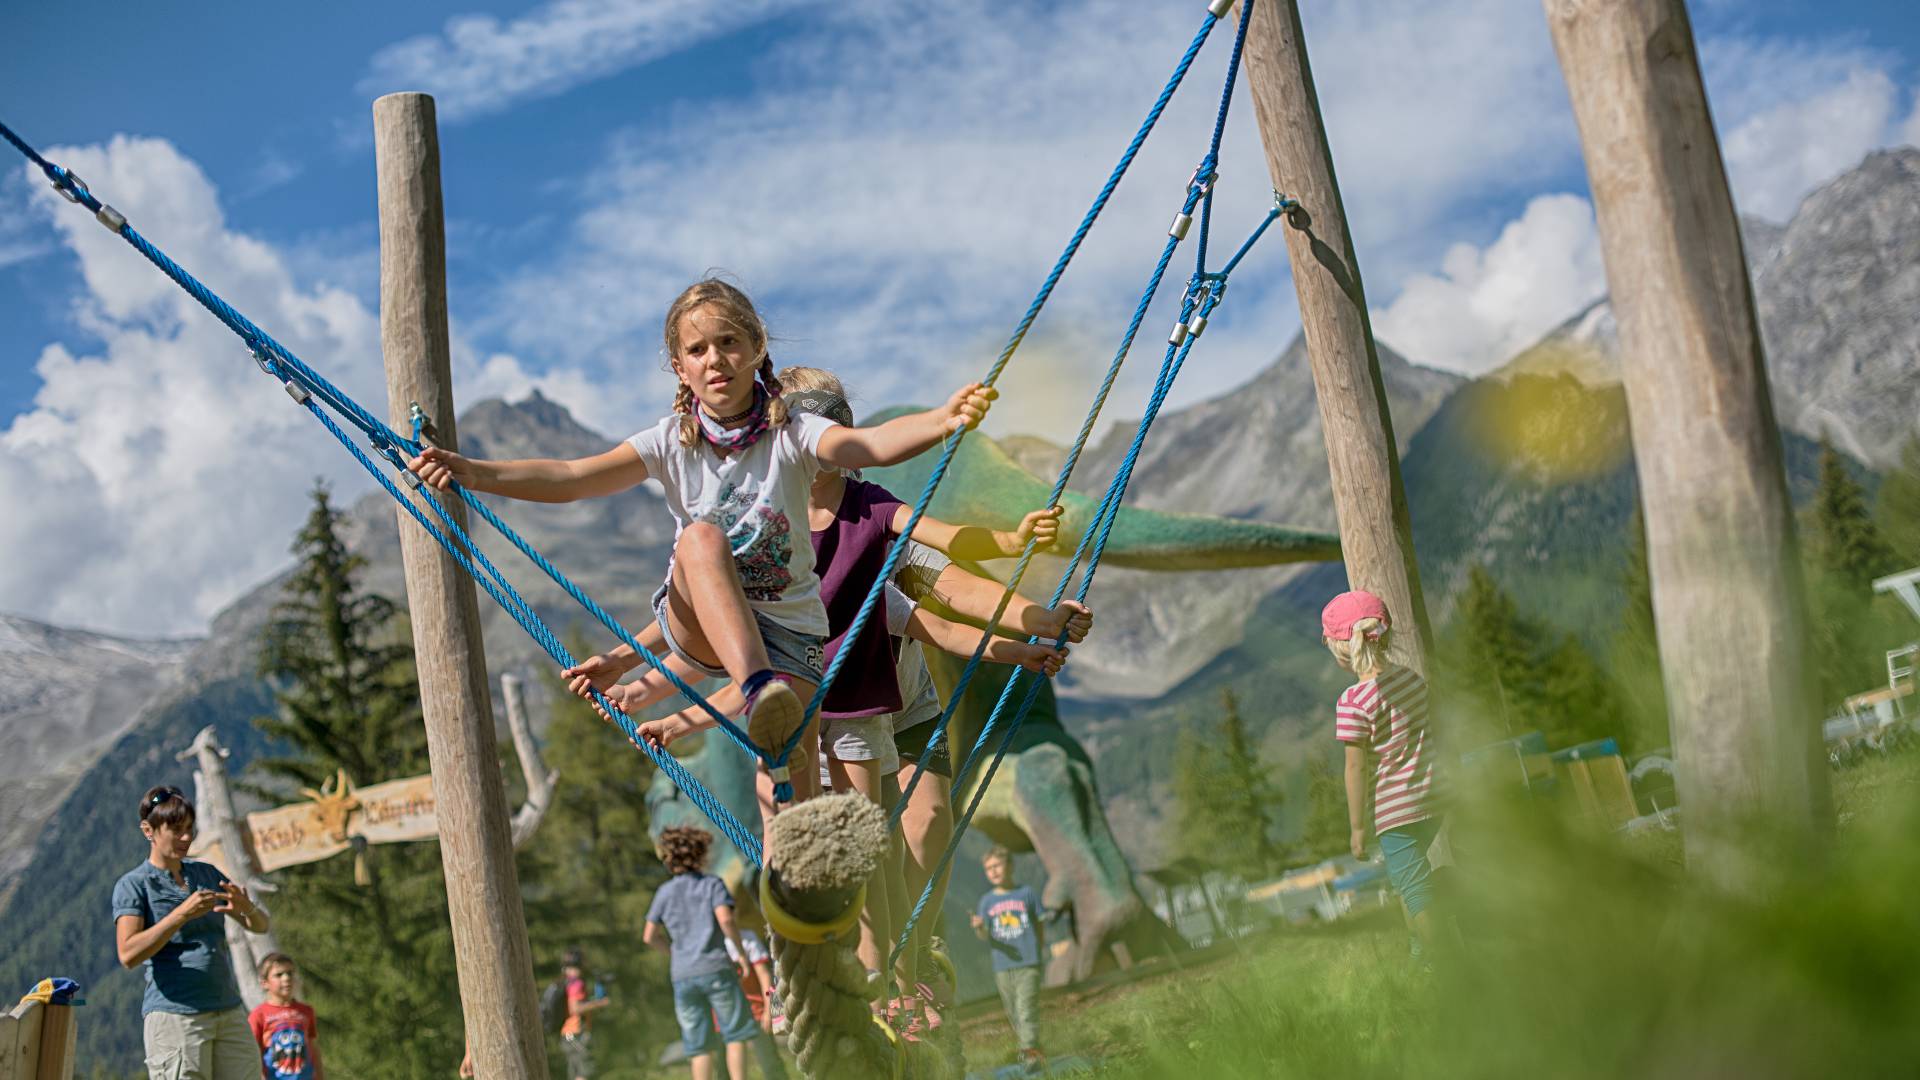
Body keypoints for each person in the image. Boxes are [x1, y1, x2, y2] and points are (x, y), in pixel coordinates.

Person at [409, 277, 997, 806]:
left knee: (802, 804)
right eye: (697, 349)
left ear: (756, 348)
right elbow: (571, 477)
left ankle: (798, 882)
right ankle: (758, 686)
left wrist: (940, 421)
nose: (715, 358)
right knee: (700, 540)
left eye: (729, 342)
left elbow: (869, 446)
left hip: (792, 637)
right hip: (700, 623)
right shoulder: (670, 442)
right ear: (679, 367)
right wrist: (474, 472)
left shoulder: (792, 432)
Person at [112, 785, 270, 1079]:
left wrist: (247, 908)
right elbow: (128, 954)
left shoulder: (206, 874)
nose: (186, 838)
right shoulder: (134, 885)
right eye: (176, 830)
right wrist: (182, 914)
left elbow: (261, 926)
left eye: (189, 829)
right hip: (176, 1016)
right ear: (148, 830)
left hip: (228, 1010)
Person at [1323, 589, 1443, 961]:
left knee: (1414, 889)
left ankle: (1444, 962)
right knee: (1410, 881)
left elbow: (1356, 767)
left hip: (1395, 812)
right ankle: (1421, 952)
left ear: (1341, 650)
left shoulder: (1352, 703)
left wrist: (1358, 827)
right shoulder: (1412, 680)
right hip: (1436, 794)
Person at [645, 826, 759, 1080]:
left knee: (698, 1045)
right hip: (716, 967)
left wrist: (674, 953)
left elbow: (649, 935)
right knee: (735, 1033)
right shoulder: (711, 884)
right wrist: (741, 955)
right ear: (701, 854)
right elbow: (726, 920)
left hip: (683, 974)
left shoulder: (664, 892)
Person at [971, 846, 1053, 1074]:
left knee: (1026, 1008)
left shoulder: (1026, 893)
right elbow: (985, 936)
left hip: (1028, 962)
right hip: (1002, 966)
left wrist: (1038, 951)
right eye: (988, 868)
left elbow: (1039, 924)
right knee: (1014, 1012)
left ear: (1010, 866)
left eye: (997, 865)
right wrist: (979, 927)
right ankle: (1034, 1049)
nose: (993, 871)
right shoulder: (986, 901)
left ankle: (1029, 1052)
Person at [723, 927, 786, 1080]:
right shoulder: (711, 942)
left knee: (769, 1062)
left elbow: (766, 977)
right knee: (723, 1070)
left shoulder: (748, 938)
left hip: (756, 1012)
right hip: (727, 1017)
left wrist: (769, 1010)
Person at [247, 953, 322, 1080]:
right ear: (264, 983)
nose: (286, 978)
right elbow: (253, 1053)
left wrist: (320, 1076)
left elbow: (313, 1047)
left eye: (290, 973)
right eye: (279, 975)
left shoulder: (306, 1011)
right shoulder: (258, 1015)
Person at [558, 949, 609, 1080]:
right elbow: (575, 1008)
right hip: (576, 1033)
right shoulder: (576, 984)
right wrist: (599, 1003)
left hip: (567, 1035)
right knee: (585, 1072)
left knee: (577, 1073)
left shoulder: (566, 982)